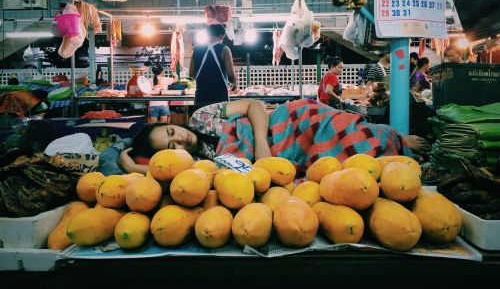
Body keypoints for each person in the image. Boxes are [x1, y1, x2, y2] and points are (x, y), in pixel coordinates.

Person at [118, 99, 429, 178]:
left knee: (335, 126)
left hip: (281, 124)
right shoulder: (195, 167)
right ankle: (393, 149)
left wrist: (263, 146)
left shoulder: (202, 117)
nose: (180, 141)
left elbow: (253, 106)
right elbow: (165, 177)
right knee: (334, 165)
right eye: (170, 146)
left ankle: (395, 139)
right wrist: (132, 168)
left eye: (173, 132)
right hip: (283, 157)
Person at [189, 24, 238, 109]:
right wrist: (234, 83)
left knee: (201, 121)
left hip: (201, 96)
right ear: (222, 36)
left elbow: (191, 74)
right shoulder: (224, 49)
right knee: (219, 122)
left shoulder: (196, 49)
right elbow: (230, 74)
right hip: (219, 97)